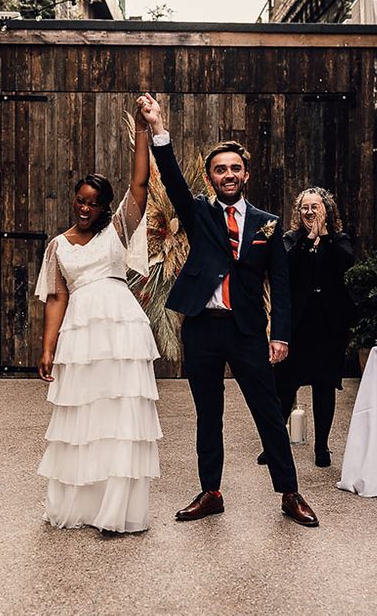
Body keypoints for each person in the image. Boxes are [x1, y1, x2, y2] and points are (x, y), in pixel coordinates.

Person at [139, 93, 319, 527]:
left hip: (246, 330)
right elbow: (173, 179)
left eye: (235, 168)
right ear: (211, 176)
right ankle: (211, 492)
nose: (228, 175)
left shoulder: (267, 223)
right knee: (208, 414)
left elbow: (280, 283)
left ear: (246, 175)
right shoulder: (199, 212)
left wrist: (281, 334)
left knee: (268, 412)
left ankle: (290, 493)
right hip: (202, 327)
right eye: (220, 169)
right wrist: (157, 128)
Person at [34, 97, 162, 533]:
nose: (84, 208)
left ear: (105, 206)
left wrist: (143, 131)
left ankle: (116, 509)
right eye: (79, 201)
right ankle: (81, 504)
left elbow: (140, 185)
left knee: (120, 415)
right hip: (81, 337)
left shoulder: (118, 232)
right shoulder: (57, 245)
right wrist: (48, 349)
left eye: (93, 203)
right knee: (82, 418)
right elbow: (56, 298)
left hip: (121, 332)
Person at [258, 187, 355, 468]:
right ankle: (274, 445)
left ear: (327, 210)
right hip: (296, 326)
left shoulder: (339, 239)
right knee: (284, 388)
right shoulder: (290, 240)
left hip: (328, 327)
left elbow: (345, 262)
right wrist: (310, 238)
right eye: (305, 208)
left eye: (316, 207)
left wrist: (323, 236)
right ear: (298, 213)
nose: (310, 212)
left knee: (324, 387)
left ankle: (322, 447)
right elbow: (284, 268)